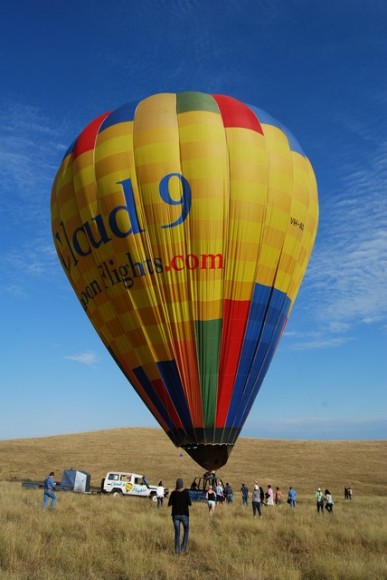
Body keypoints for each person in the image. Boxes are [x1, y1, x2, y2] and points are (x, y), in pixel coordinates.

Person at [168, 478, 192, 555]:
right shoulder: (186, 492)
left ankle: (177, 551)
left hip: (175, 515)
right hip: (184, 514)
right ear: (182, 484)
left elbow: (169, 504)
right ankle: (183, 548)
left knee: (177, 533)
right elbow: (189, 503)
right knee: (186, 531)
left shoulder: (173, 493)